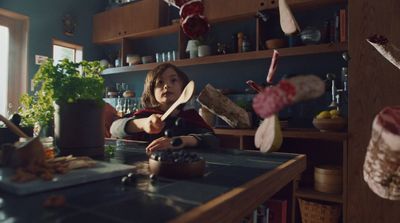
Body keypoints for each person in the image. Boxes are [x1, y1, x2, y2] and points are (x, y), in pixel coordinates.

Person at [110, 63, 218, 153]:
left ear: (182, 88)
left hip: (181, 168)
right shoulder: (145, 116)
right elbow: (114, 128)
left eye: (173, 80)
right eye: (160, 82)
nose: (166, 85)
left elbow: (212, 140)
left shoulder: (190, 117)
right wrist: (143, 124)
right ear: (151, 91)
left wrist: (182, 140)